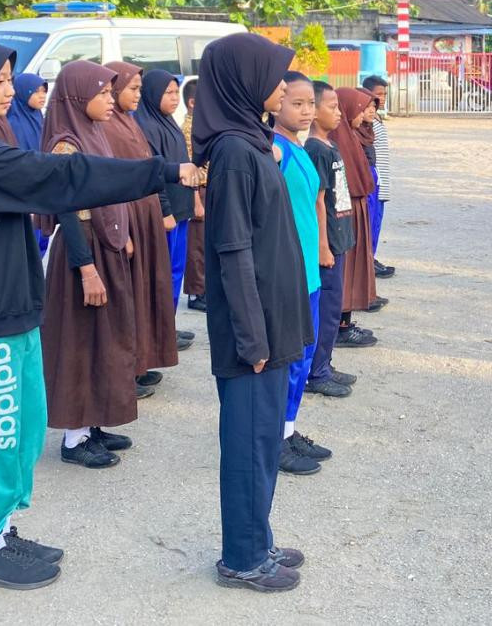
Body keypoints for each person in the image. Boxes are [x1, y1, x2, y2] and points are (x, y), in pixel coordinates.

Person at [0, 36, 199, 590]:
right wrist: (164, 172)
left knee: (24, 423)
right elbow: (64, 178)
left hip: (11, 303)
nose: (11, 90)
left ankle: (3, 527)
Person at [194, 33, 311, 593]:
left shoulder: (253, 141)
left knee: (265, 440)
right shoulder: (234, 154)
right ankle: (241, 557)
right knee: (247, 442)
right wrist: (252, 337)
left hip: (272, 318)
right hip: (252, 328)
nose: (283, 86)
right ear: (243, 80)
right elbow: (233, 250)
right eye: (273, 75)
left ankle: (257, 538)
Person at [40, 60, 148, 469]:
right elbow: (67, 211)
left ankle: (94, 422)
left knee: (107, 338)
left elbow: (110, 192)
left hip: (105, 245)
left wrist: (123, 234)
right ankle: (74, 437)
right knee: (79, 341)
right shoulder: (65, 145)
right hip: (81, 251)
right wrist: (86, 269)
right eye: (101, 93)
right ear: (77, 97)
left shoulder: (94, 132)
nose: (109, 100)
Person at [102, 61, 181, 389]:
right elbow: (113, 181)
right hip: (128, 219)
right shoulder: (107, 127)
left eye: (139, 88)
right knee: (128, 296)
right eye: (132, 88)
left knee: (146, 290)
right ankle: (125, 372)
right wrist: (122, 230)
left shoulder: (128, 122)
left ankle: (140, 361)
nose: (137, 94)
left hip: (144, 217)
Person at [271, 71, 332, 476]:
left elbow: (316, 202)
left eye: (311, 103)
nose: (307, 111)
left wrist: (323, 247)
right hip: (289, 273)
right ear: (276, 103)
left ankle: (289, 429)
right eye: (297, 103)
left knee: (304, 358)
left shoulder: (301, 147)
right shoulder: (274, 149)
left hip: (309, 270)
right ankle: (275, 438)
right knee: (290, 360)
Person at [134, 69, 197, 350]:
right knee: (162, 275)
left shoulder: (168, 122)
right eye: (168, 93)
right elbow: (153, 173)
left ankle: (167, 327)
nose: (174, 98)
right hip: (166, 215)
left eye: (175, 93)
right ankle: (158, 333)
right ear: (152, 94)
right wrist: (164, 211)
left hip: (180, 210)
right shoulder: (146, 126)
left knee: (175, 272)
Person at [303, 82, 358, 400]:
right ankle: (316, 371)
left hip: (339, 238)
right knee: (325, 310)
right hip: (328, 246)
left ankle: (325, 362)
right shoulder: (315, 150)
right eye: (332, 107)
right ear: (314, 112)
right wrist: (323, 246)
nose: (338, 113)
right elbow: (318, 202)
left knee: (334, 308)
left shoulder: (330, 145)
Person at [330, 88, 379, 345]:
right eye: (359, 109)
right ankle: (340, 327)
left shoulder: (351, 137)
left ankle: (345, 323)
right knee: (345, 271)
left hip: (354, 210)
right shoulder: (336, 142)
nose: (363, 115)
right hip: (344, 215)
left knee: (353, 269)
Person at [6, 74, 50, 255]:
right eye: (36, 91)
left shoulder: (39, 118)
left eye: (44, 91)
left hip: (42, 189)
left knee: (41, 241)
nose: (42, 96)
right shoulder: (13, 124)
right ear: (23, 92)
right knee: (28, 246)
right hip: (27, 194)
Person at [362, 74, 395, 279]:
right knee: (370, 224)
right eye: (378, 94)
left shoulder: (377, 119)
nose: (381, 99)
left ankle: (371, 258)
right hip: (373, 181)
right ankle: (367, 262)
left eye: (384, 94)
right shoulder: (366, 121)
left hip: (382, 179)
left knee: (376, 223)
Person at [181, 79, 208, 313]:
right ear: (192, 103)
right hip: (198, 189)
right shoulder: (189, 129)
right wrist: (196, 199)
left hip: (207, 188)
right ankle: (196, 292)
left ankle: (203, 288)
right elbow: (190, 167)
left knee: (204, 242)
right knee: (196, 244)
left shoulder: (201, 125)